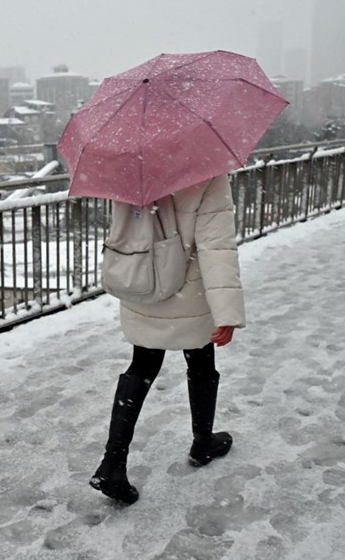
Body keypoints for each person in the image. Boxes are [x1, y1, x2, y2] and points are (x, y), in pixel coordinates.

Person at [90, 174, 246, 505]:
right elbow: (215, 247)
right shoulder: (207, 174)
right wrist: (227, 313)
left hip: (144, 282)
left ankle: (113, 462)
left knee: (141, 366)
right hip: (189, 290)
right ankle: (202, 441)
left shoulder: (136, 167)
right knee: (202, 361)